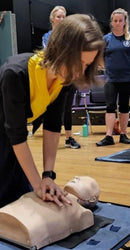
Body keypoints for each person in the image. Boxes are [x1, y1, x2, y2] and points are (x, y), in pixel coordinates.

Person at [0, 14, 105, 224]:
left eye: (87, 65)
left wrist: (47, 176)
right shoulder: (15, 72)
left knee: (17, 196)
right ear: (62, 50)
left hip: (7, 132)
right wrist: (38, 185)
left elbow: (53, 127)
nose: (82, 71)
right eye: (79, 62)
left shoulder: (67, 78)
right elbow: (17, 136)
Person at [96, 8, 130, 147]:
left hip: (127, 78)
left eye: (120, 20)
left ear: (124, 22)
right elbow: (99, 56)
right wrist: (107, 68)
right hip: (111, 78)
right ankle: (108, 136)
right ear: (112, 22)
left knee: (123, 106)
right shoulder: (106, 39)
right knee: (110, 106)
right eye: (115, 20)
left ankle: (123, 134)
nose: (117, 23)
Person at [42, 6, 80, 149]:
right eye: (59, 16)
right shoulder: (47, 36)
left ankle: (69, 138)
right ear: (52, 19)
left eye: (64, 17)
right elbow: (49, 55)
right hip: (55, 77)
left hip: (70, 75)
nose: (62, 19)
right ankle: (52, 139)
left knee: (68, 108)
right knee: (54, 108)